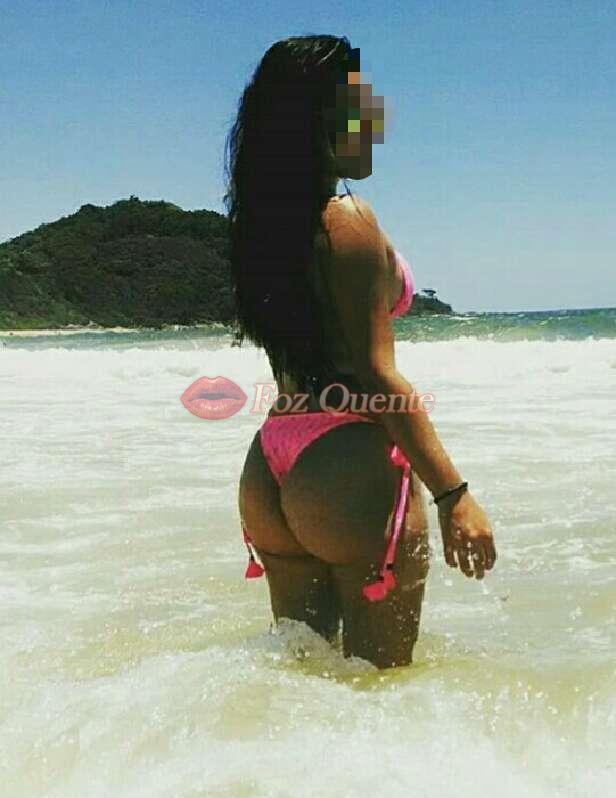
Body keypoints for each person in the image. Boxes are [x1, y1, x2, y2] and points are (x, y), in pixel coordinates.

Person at [223, 35, 496, 669]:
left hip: (273, 462)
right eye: (363, 106)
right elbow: (378, 376)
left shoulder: (264, 227)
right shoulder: (347, 220)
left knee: (303, 682)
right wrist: (454, 495)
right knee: (381, 693)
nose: (378, 120)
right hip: (345, 465)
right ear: (321, 120)